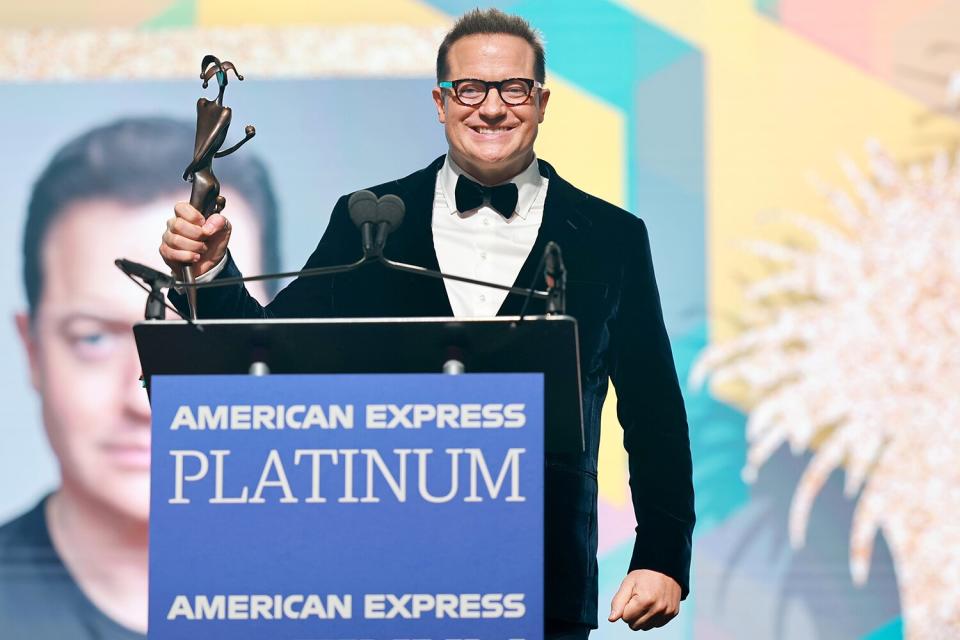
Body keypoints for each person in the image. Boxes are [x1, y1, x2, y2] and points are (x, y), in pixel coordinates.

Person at [160, 9, 695, 637]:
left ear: (543, 102)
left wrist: (662, 557)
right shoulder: (367, 220)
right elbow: (279, 361)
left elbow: (653, 408)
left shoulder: (613, 237)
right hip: (382, 573)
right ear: (440, 103)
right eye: (470, 89)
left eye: (513, 89)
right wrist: (215, 268)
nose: (491, 108)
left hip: (544, 573)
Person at [0, 117, 279, 638]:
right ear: (32, 349)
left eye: (191, 334)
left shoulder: (350, 597)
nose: (144, 397)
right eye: (93, 338)